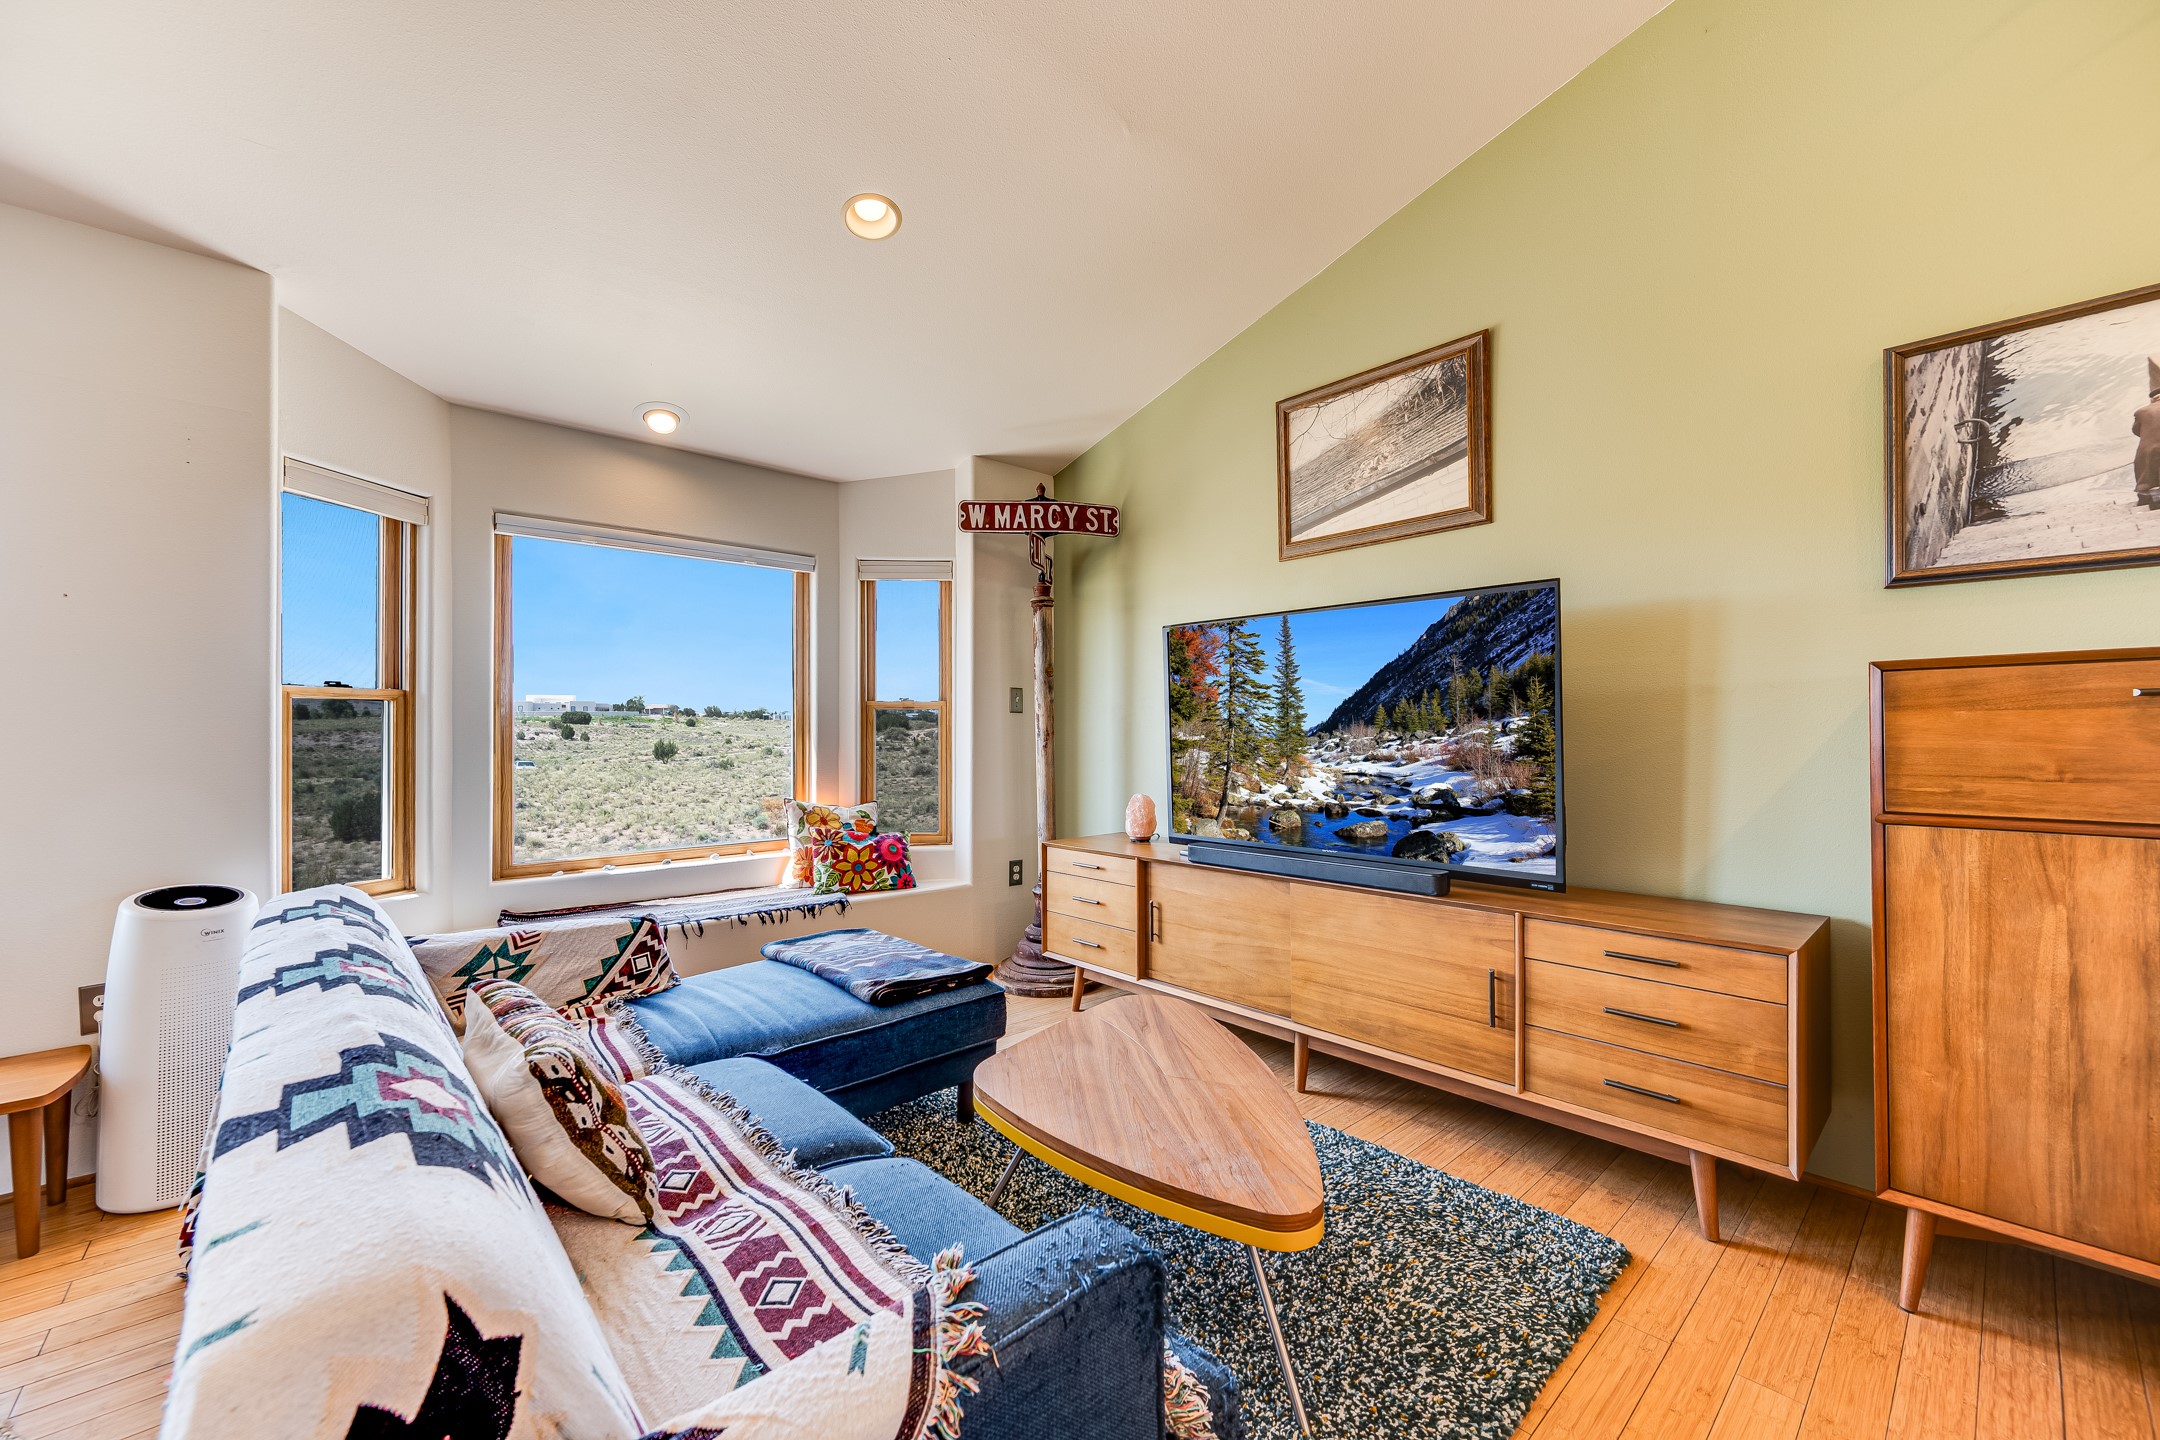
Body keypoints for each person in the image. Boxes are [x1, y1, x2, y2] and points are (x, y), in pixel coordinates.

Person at [2136, 358, 2160, 510]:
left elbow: (2136, 431)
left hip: (2148, 450)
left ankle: (2146, 497)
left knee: (2145, 470)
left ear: (2153, 399)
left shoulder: (2141, 411)